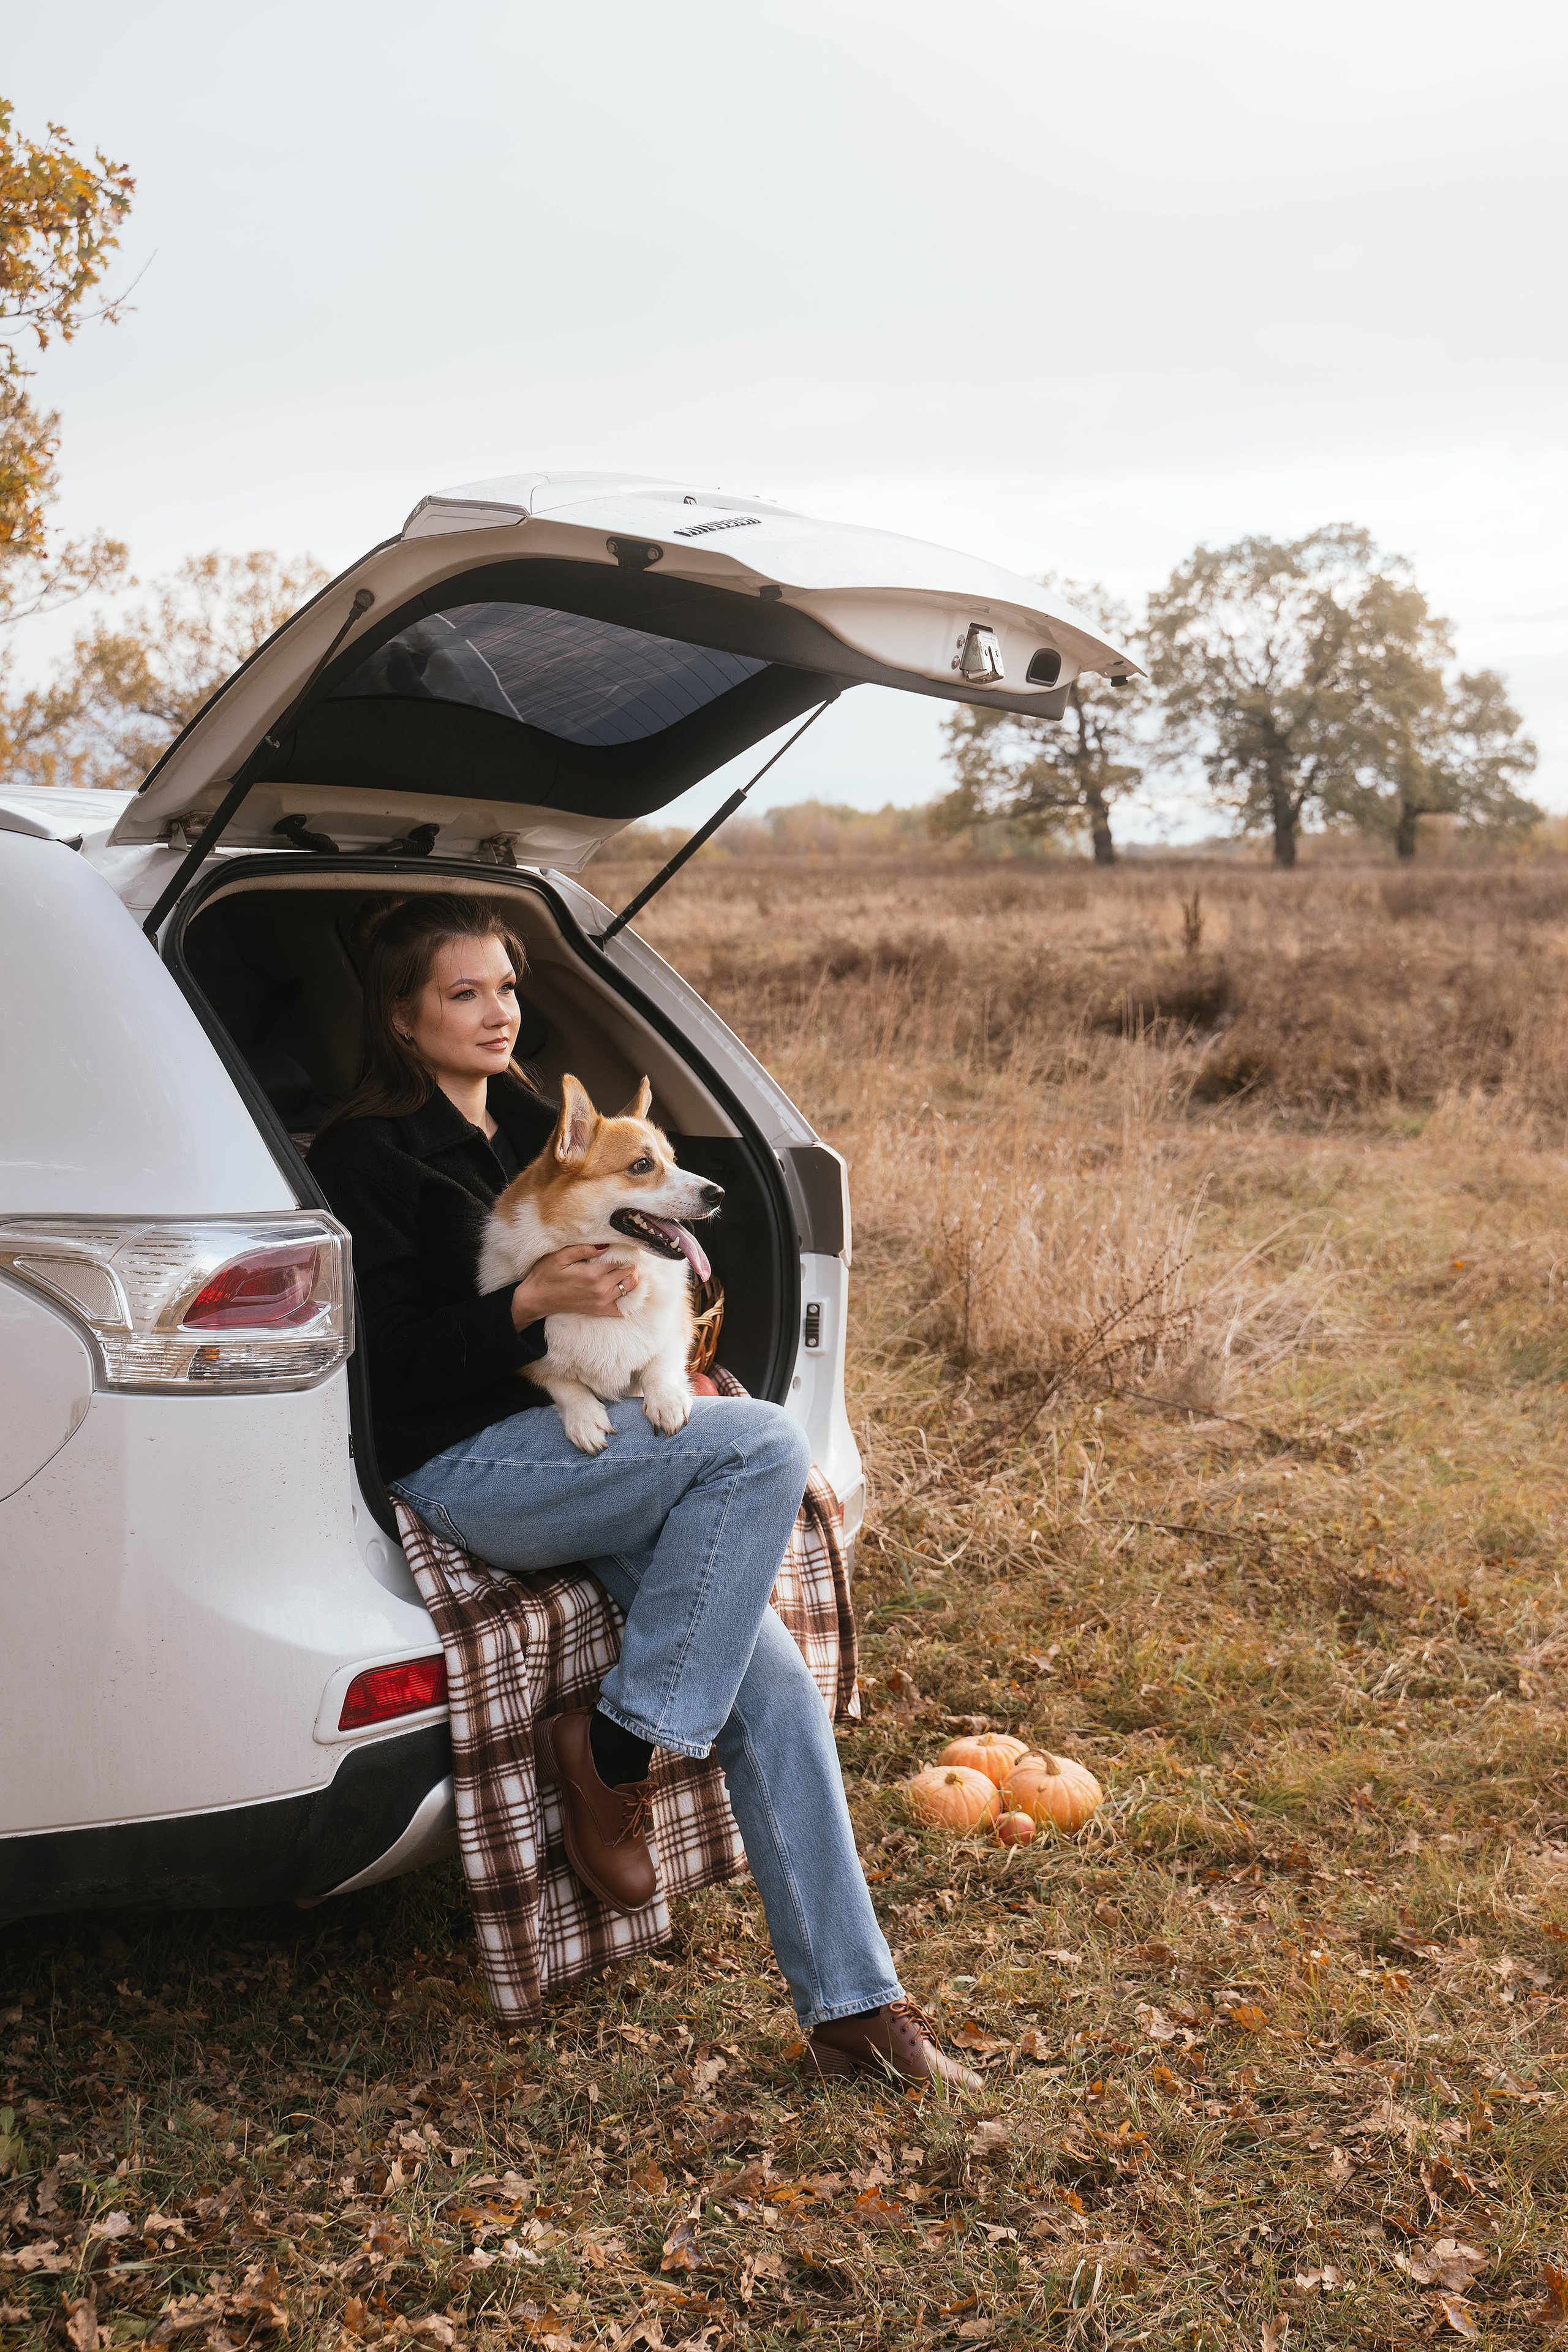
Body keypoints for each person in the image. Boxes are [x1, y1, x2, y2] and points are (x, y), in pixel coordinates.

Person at [309, 895, 979, 2091]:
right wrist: (521, 1305)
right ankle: (618, 1753)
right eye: (462, 994)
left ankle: (853, 2011)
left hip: (593, 1442)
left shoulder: (541, 1121)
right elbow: (388, 1368)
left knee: (766, 1679)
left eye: (506, 987)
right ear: (403, 1019)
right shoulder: (366, 1154)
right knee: (764, 1445)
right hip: (469, 1461)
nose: (497, 1012)